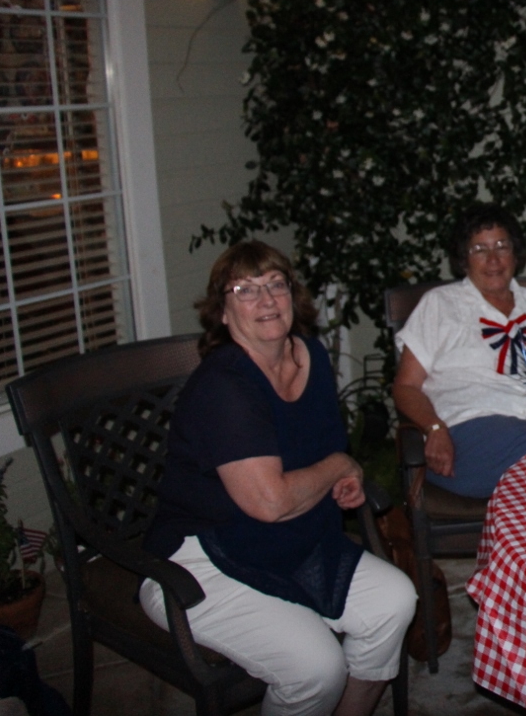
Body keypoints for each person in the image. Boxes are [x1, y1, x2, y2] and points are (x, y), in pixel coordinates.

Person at [139, 241, 416, 716]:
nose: (266, 300)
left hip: (295, 541)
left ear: (293, 295)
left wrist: (336, 478)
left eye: (275, 285)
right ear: (222, 312)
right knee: (316, 667)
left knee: (395, 601)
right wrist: (340, 467)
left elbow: (315, 453)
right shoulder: (225, 386)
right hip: (203, 559)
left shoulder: (311, 355)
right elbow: (270, 502)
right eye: (245, 290)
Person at [392, 203, 526, 499]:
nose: (493, 259)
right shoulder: (441, 304)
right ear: (464, 258)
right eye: (479, 249)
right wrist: (434, 429)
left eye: (501, 246)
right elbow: (405, 386)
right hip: (471, 433)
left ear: (516, 253)